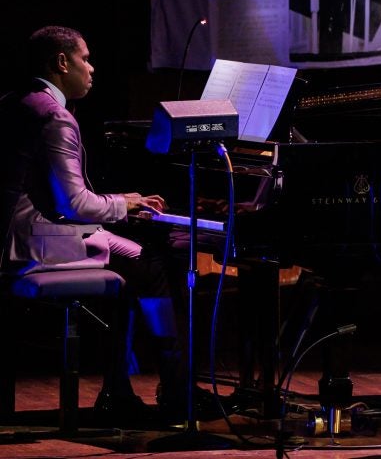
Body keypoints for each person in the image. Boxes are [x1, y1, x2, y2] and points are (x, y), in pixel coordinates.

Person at [0, 24, 220, 425]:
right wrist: (126, 202)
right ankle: (176, 388)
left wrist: (120, 204)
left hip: (14, 233)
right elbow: (75, 202)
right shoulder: (55, 116)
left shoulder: (16, 101)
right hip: (30, 242)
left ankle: (119, 389)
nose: (92, 68)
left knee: (132, 259)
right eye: (85, 58)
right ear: (62, 62)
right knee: (150, 263)